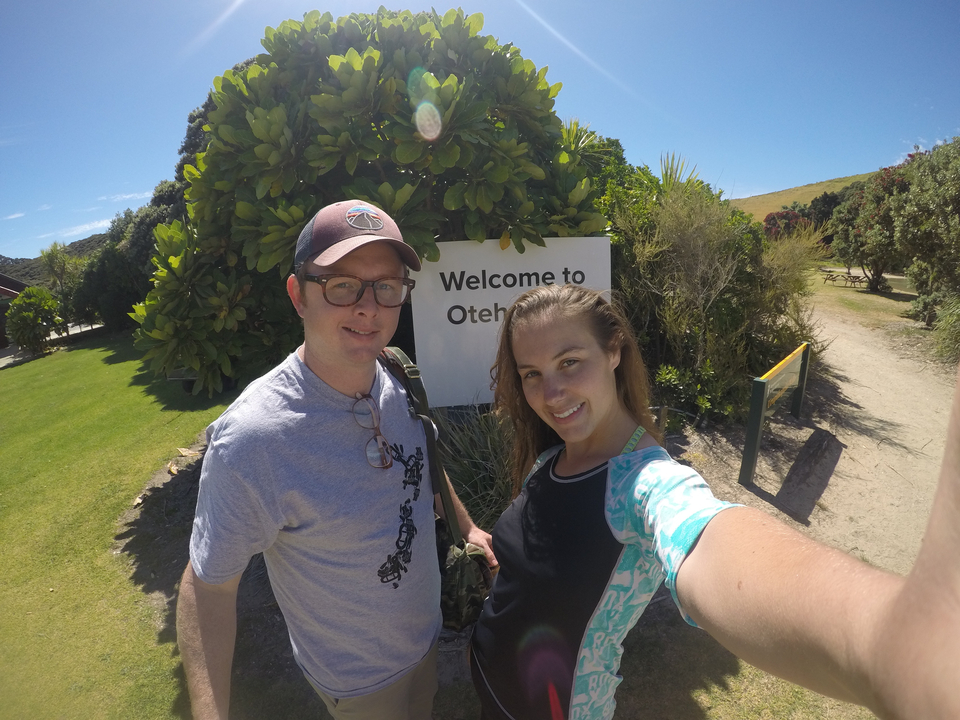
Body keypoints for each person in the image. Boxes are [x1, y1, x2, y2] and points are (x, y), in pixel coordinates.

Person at [470, 283, 960, 720]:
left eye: (569, 362)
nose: (551, 393)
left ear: (614, 350)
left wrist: (892, 650)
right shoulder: (551, 458)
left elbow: (707, 540)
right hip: (489, 686)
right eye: (531, 374)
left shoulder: (643, 485)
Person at [175, 199, 496, 720]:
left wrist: (467, 526)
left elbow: (424, 457)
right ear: (298, 295)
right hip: (357, 682)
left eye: (386, 286)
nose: (369, 308)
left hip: (425, 640)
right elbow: (207, 585)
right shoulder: (253, 442)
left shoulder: (396, 371)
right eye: (342, 285)